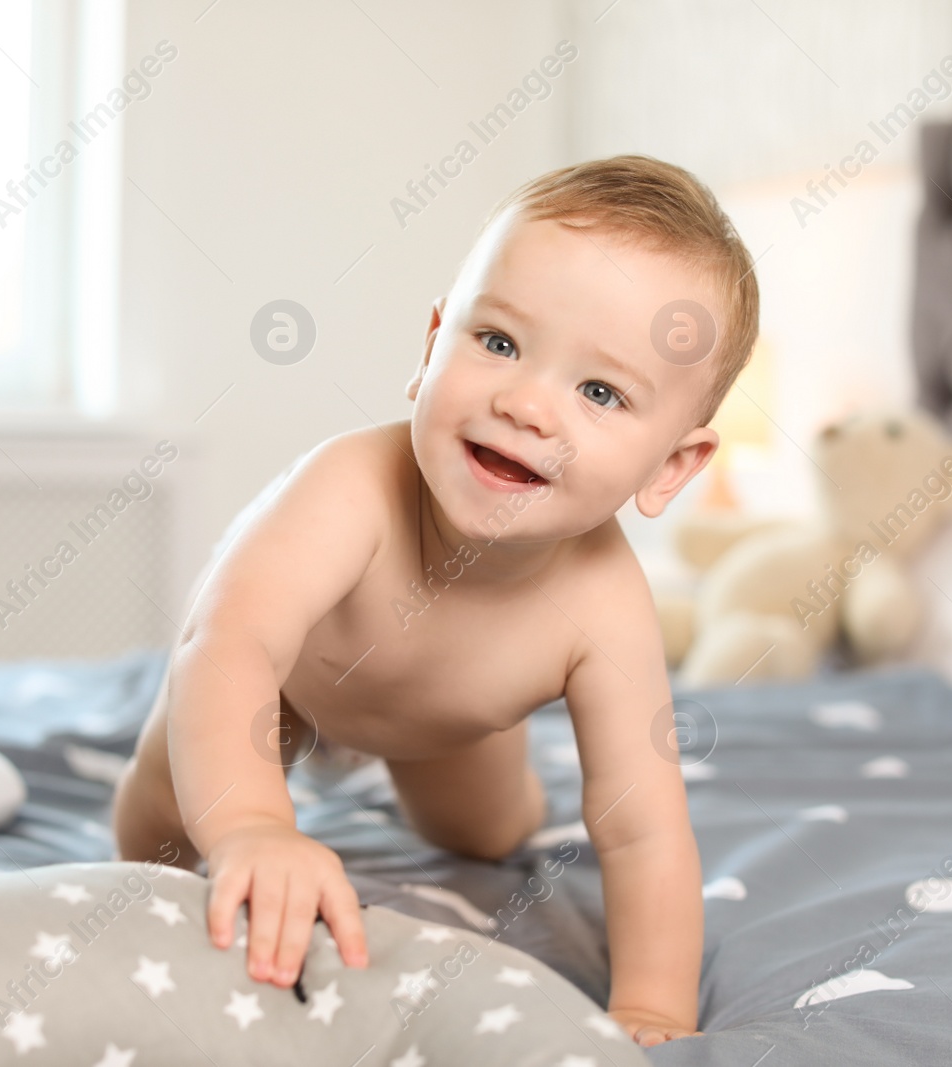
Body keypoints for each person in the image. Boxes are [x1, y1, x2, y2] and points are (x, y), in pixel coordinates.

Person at [113, 153, 760, 1046]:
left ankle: (467, 792)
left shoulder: (606, 604)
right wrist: (256, 825)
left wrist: (653, 1004)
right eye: (498, 342)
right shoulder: (349, 488)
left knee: (490, 835)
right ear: (430, 347)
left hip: (452, 726)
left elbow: (644, 828)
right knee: (166, 811)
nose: (528, 404)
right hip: (280, 686)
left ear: (672, 466)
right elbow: (230, 646)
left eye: (600, 391)